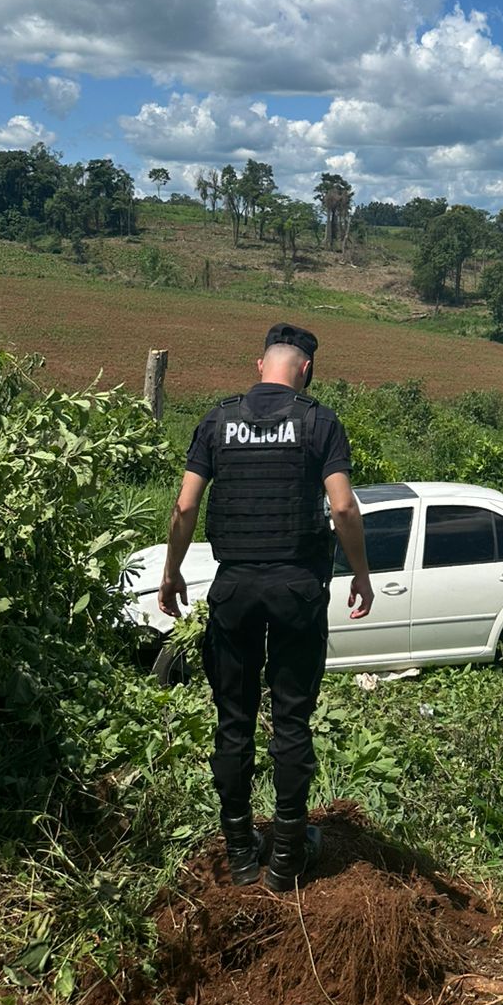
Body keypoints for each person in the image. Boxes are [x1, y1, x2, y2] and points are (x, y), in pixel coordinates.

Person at [158, 323, 373, 890]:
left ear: (261, 367)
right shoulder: (319, 421)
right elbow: (344, 508)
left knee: (234, 721)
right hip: (298, 589)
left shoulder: (215, 420)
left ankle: (239, 853)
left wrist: (172, 571)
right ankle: (285, 860)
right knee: (291, 719)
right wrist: (362, 576)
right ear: (305, 369)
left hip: (233, 593)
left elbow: (184, 508)